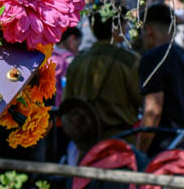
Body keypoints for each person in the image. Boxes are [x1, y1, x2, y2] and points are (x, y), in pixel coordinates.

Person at [60, 12, 140, 152]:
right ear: (117, 28)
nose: (126, 27)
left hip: (85, 144)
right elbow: (141, 99)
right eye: (124, 24)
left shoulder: (77, 63)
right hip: (121, 144)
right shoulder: (130, 61)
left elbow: (67, 103)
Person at [136, 2, 184, 151]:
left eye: (141, 31)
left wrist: (139, 152)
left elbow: (153, 112)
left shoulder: (153, 58)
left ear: (148, 30)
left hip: (168, 151)